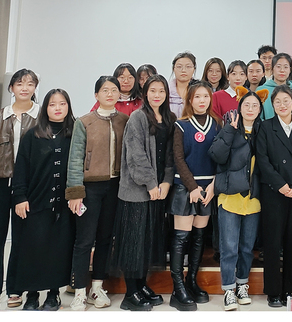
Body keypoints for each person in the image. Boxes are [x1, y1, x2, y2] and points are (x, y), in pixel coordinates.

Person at [111, 75, 175, 311]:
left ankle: (141, 285)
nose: (157, 95)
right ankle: (130, 294)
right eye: (152, 90)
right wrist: (150, 184)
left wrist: (166, 182)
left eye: (161, 91)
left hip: (159, 191)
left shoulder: (169, 119)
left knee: (148, 241)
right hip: (137, 191)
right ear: (145, 93)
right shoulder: (138, 117)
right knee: (134, 242)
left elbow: (171, 155)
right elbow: (135, 154)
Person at [0, 68, 39, 310]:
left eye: (30, 83)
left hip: (29, 187)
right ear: (11, 88)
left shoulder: (41, 117)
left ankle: (15, 289)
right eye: (20, 83)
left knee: (23, 239)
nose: (25, 87)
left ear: (35, 88)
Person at [67, 76, 129, 311]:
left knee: (105, 239)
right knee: (84, 240)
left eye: (114, 90)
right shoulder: (84, 122)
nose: (110, 94)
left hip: (115, 187)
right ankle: (79, 291)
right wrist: (75, 192)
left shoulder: (125, 120)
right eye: (105, 90)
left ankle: (97, 287)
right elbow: (75, 159)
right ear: (96, 95)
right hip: (89, 188)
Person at [10, 88, 74, 311]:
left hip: (63, 205)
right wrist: (19, 196)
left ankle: (53, 294)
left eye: (62, 104)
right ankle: (32, 294)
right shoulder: (33, 135)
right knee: (33, 249)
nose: (57, 108)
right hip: (35, 202)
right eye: (52, 104)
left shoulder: (74, 133)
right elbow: (21, 168)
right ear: (45, 108)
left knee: (58, 250)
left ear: (68, 107)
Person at [208, 89, 266, 311]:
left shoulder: (263, 131)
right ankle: (229, 290)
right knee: (229, 248)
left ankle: (242, 285)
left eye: (255, 106)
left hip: (253, 199)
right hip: (230, 198)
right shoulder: (229, 127)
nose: (250, 109)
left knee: (246, 248)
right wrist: (229, 131)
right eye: (246, 105)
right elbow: (216, 155)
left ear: (260, 110)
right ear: (239, 108)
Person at [167, 81, 221, 311]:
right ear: (190, 100)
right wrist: (192, 187)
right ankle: (177, 288)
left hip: (208, 189)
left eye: (205, 96)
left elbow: (221, 157)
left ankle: (191, 282)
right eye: (197, 96)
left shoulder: (217, 125)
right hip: (185, 188)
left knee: (199, 237)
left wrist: (213, 186)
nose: (202, 101)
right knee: (181, 237)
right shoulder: (181, 125)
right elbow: (178, 159)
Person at [254, 86, 292, 308]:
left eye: (286, 101)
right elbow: (262, 160)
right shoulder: (265, 127)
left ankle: (290, 288)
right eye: (278, 102)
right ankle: (273, 291)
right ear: (272, 105)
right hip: (273, 191)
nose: (282, 105)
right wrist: (281, 185)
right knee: (272, 242)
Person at [261, 53, 292, 120]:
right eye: (278, 66)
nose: (282, 70)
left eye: (286, 67)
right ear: (272, 69)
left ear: (290, 70)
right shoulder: (261, 90)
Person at [212, 60, 248, 126]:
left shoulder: (250, 97)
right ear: (228, 76)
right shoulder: (216, 96)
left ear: (246, 77)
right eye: (234, 74)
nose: (238, 78)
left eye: (242, 74)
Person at [169, 52, 198, 118]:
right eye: (179, 67)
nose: (183, 70)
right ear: (173, 69)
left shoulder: (201, 91)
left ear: (194, 69)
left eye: (188, 67)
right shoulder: (165, 91)